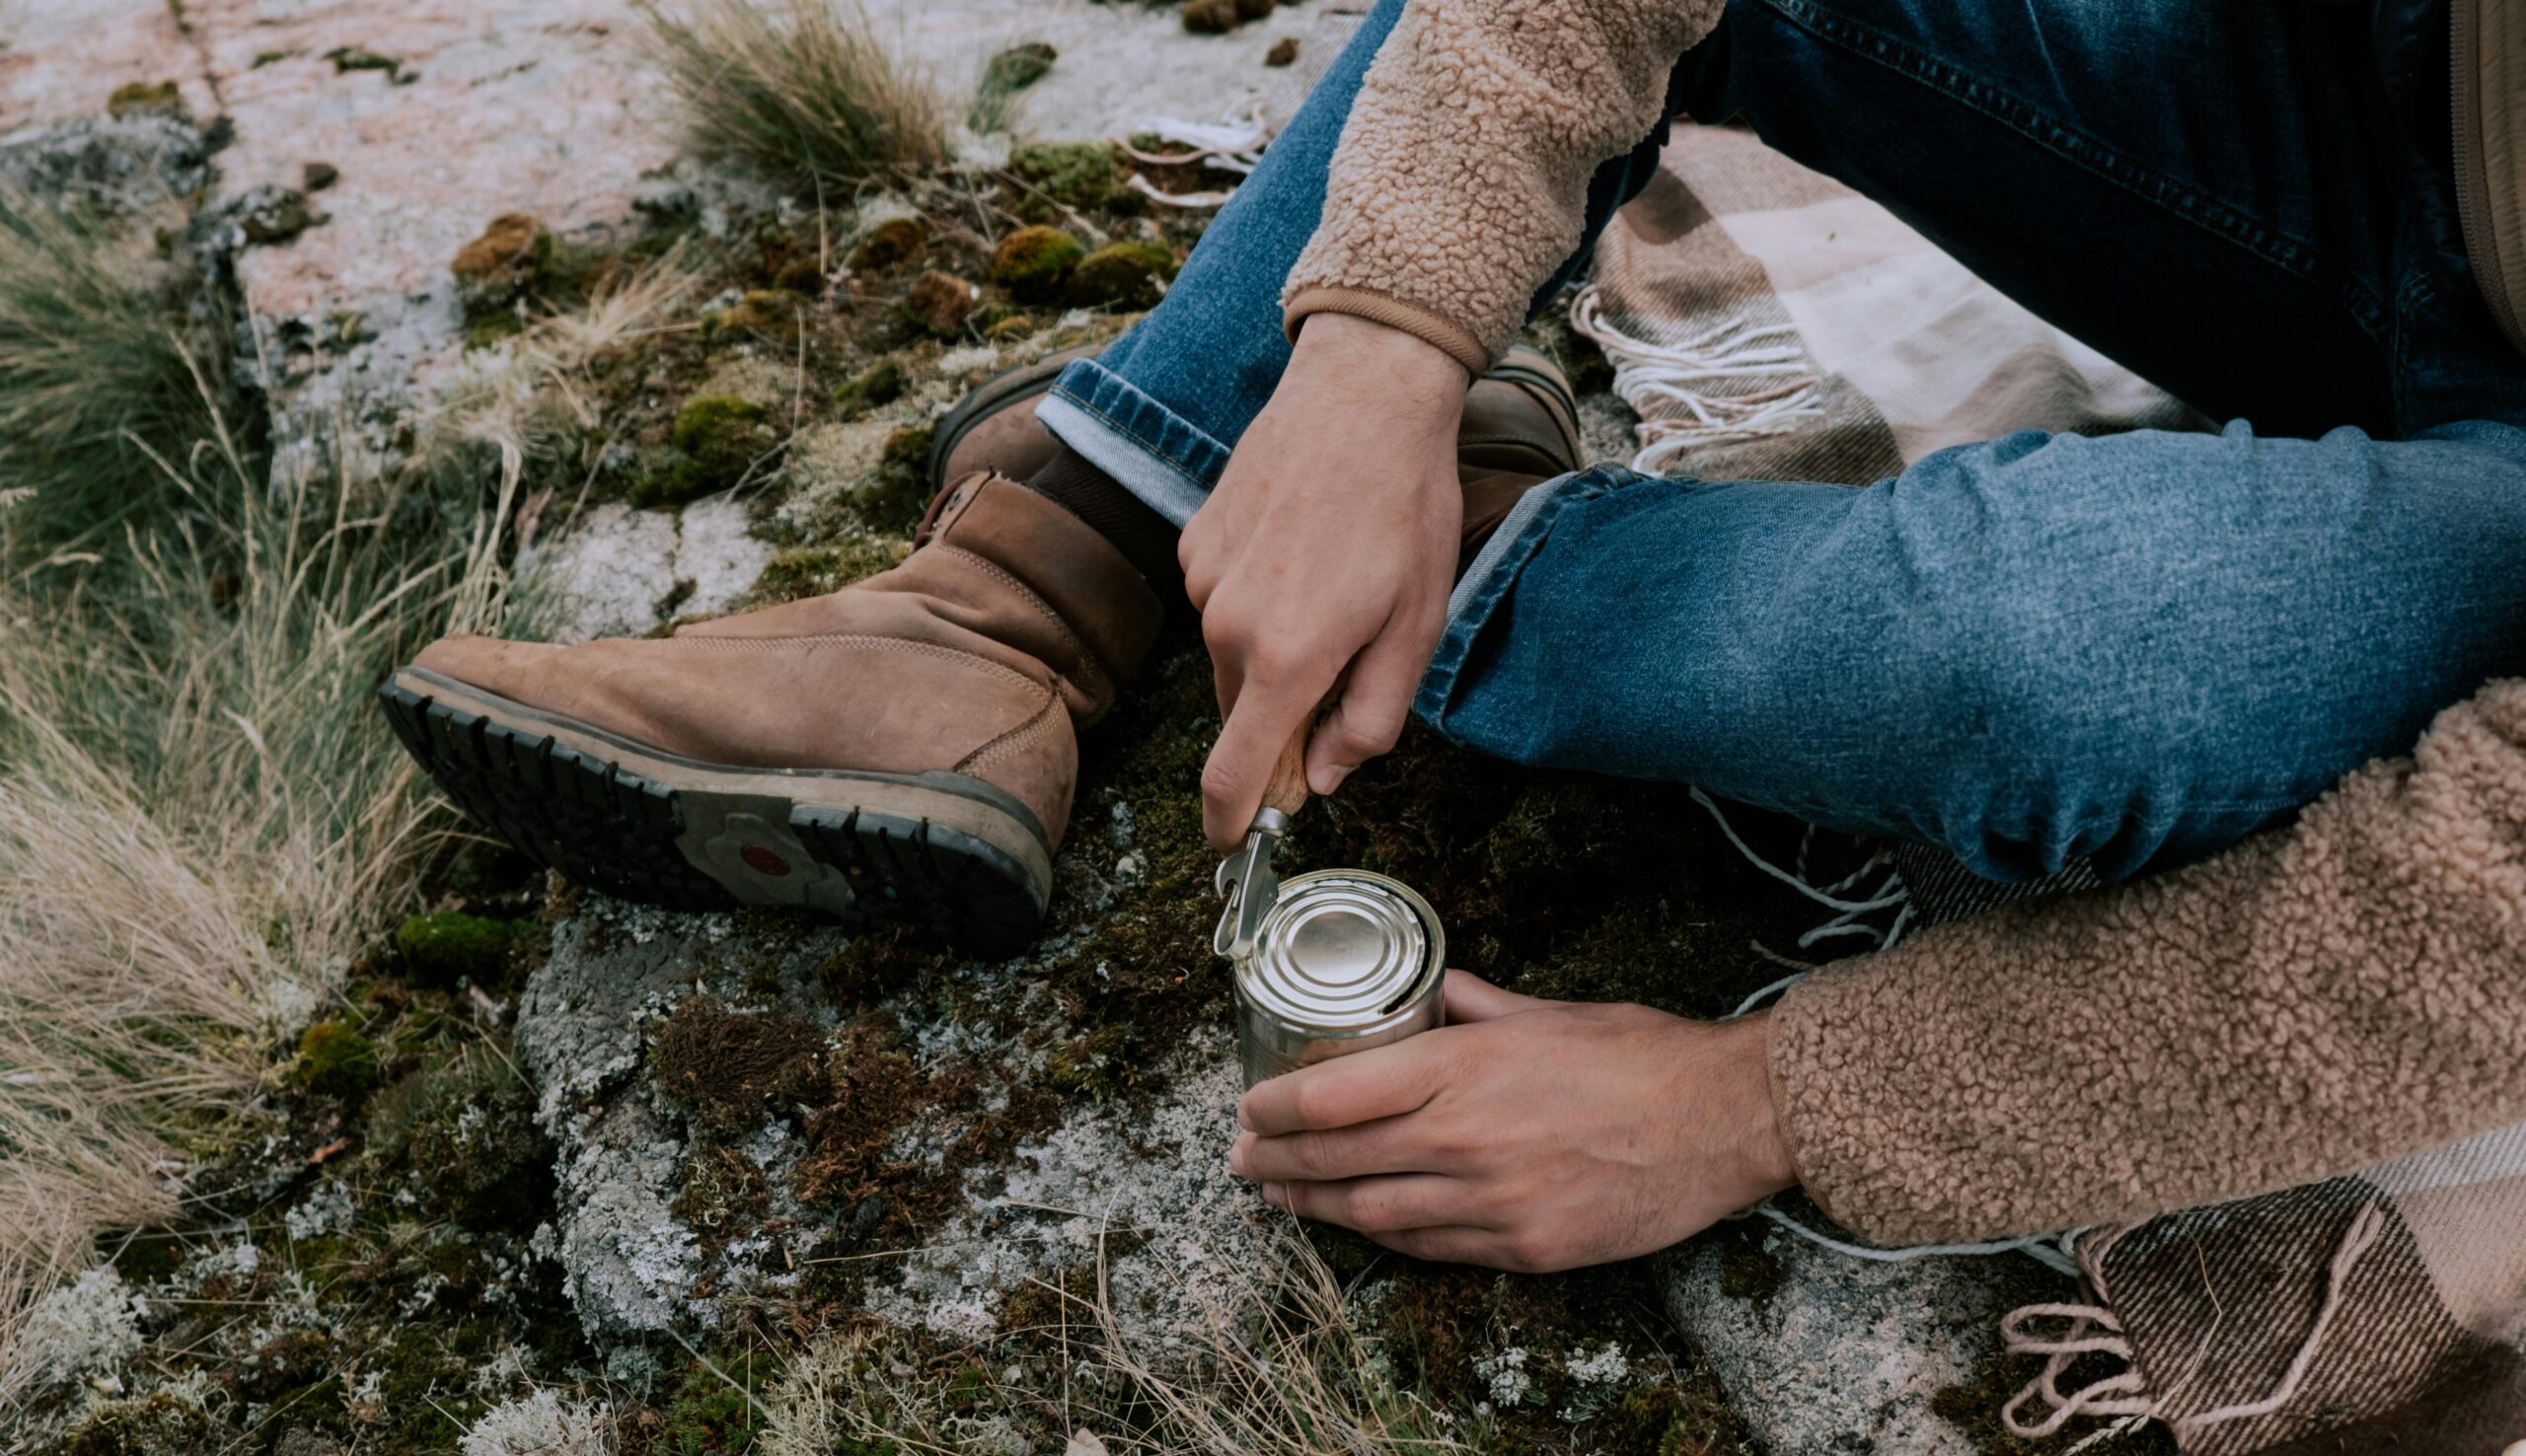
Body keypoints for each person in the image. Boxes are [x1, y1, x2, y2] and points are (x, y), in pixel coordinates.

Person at [384, 0, 2526, 1274]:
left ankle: (1424, 534)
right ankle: (1049, 566)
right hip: (2381, 116)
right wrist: (1381, 340)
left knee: (2067, 670)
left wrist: (1776, 1095)